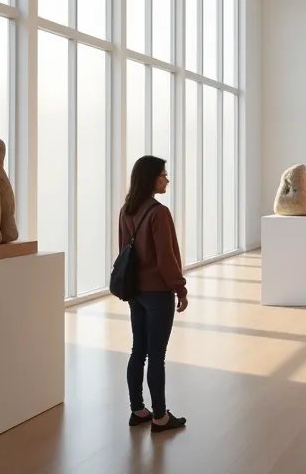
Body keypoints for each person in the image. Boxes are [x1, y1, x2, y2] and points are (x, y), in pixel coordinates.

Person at [121, 155, 188, 433]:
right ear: (151, 178)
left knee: (139, 350)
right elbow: (166, 258)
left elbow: (124, 252)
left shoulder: (127, 210)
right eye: (163, 174)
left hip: (135, 291)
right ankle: (160, 416)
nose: (167, 179)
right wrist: (180, 288)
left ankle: (138, 410)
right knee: (156, 356)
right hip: (158, 294)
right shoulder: (159, 213)